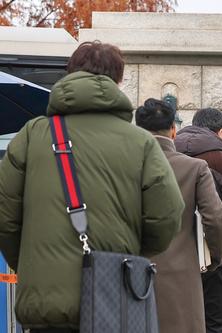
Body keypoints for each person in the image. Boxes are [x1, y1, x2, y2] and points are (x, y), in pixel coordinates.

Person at [0, 41, 184, 332]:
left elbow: (4, 217)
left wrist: (32, 264)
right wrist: (129, 254)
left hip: (45, 308)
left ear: (69, 73)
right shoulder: (141, 143)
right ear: (117, 80)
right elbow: (168, 216)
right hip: (115, 301)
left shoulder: (31, 136)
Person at [135, 98, 222, 332]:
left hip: (131, 272)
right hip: (182, 275)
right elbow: (215, 217)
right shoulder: (195, 168)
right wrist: (214, 257)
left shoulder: (123, 165)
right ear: (173, 130)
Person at [175, 108, 222, 333]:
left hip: (174, 255)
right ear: (221, 131)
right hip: (214, 257)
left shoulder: (168, 155)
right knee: (216, 324)